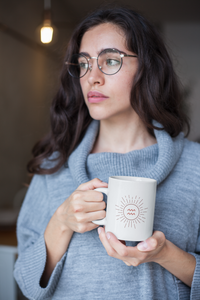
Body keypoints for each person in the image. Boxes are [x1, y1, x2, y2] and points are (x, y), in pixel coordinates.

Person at [14, 6, 200, 300]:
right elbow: (25, 281)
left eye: (110, 61)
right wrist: (61, 222)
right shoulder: (55, 166)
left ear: (148, 67)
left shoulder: (196, 166)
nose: (92, 77)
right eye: (84, 63)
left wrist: (165, 254)